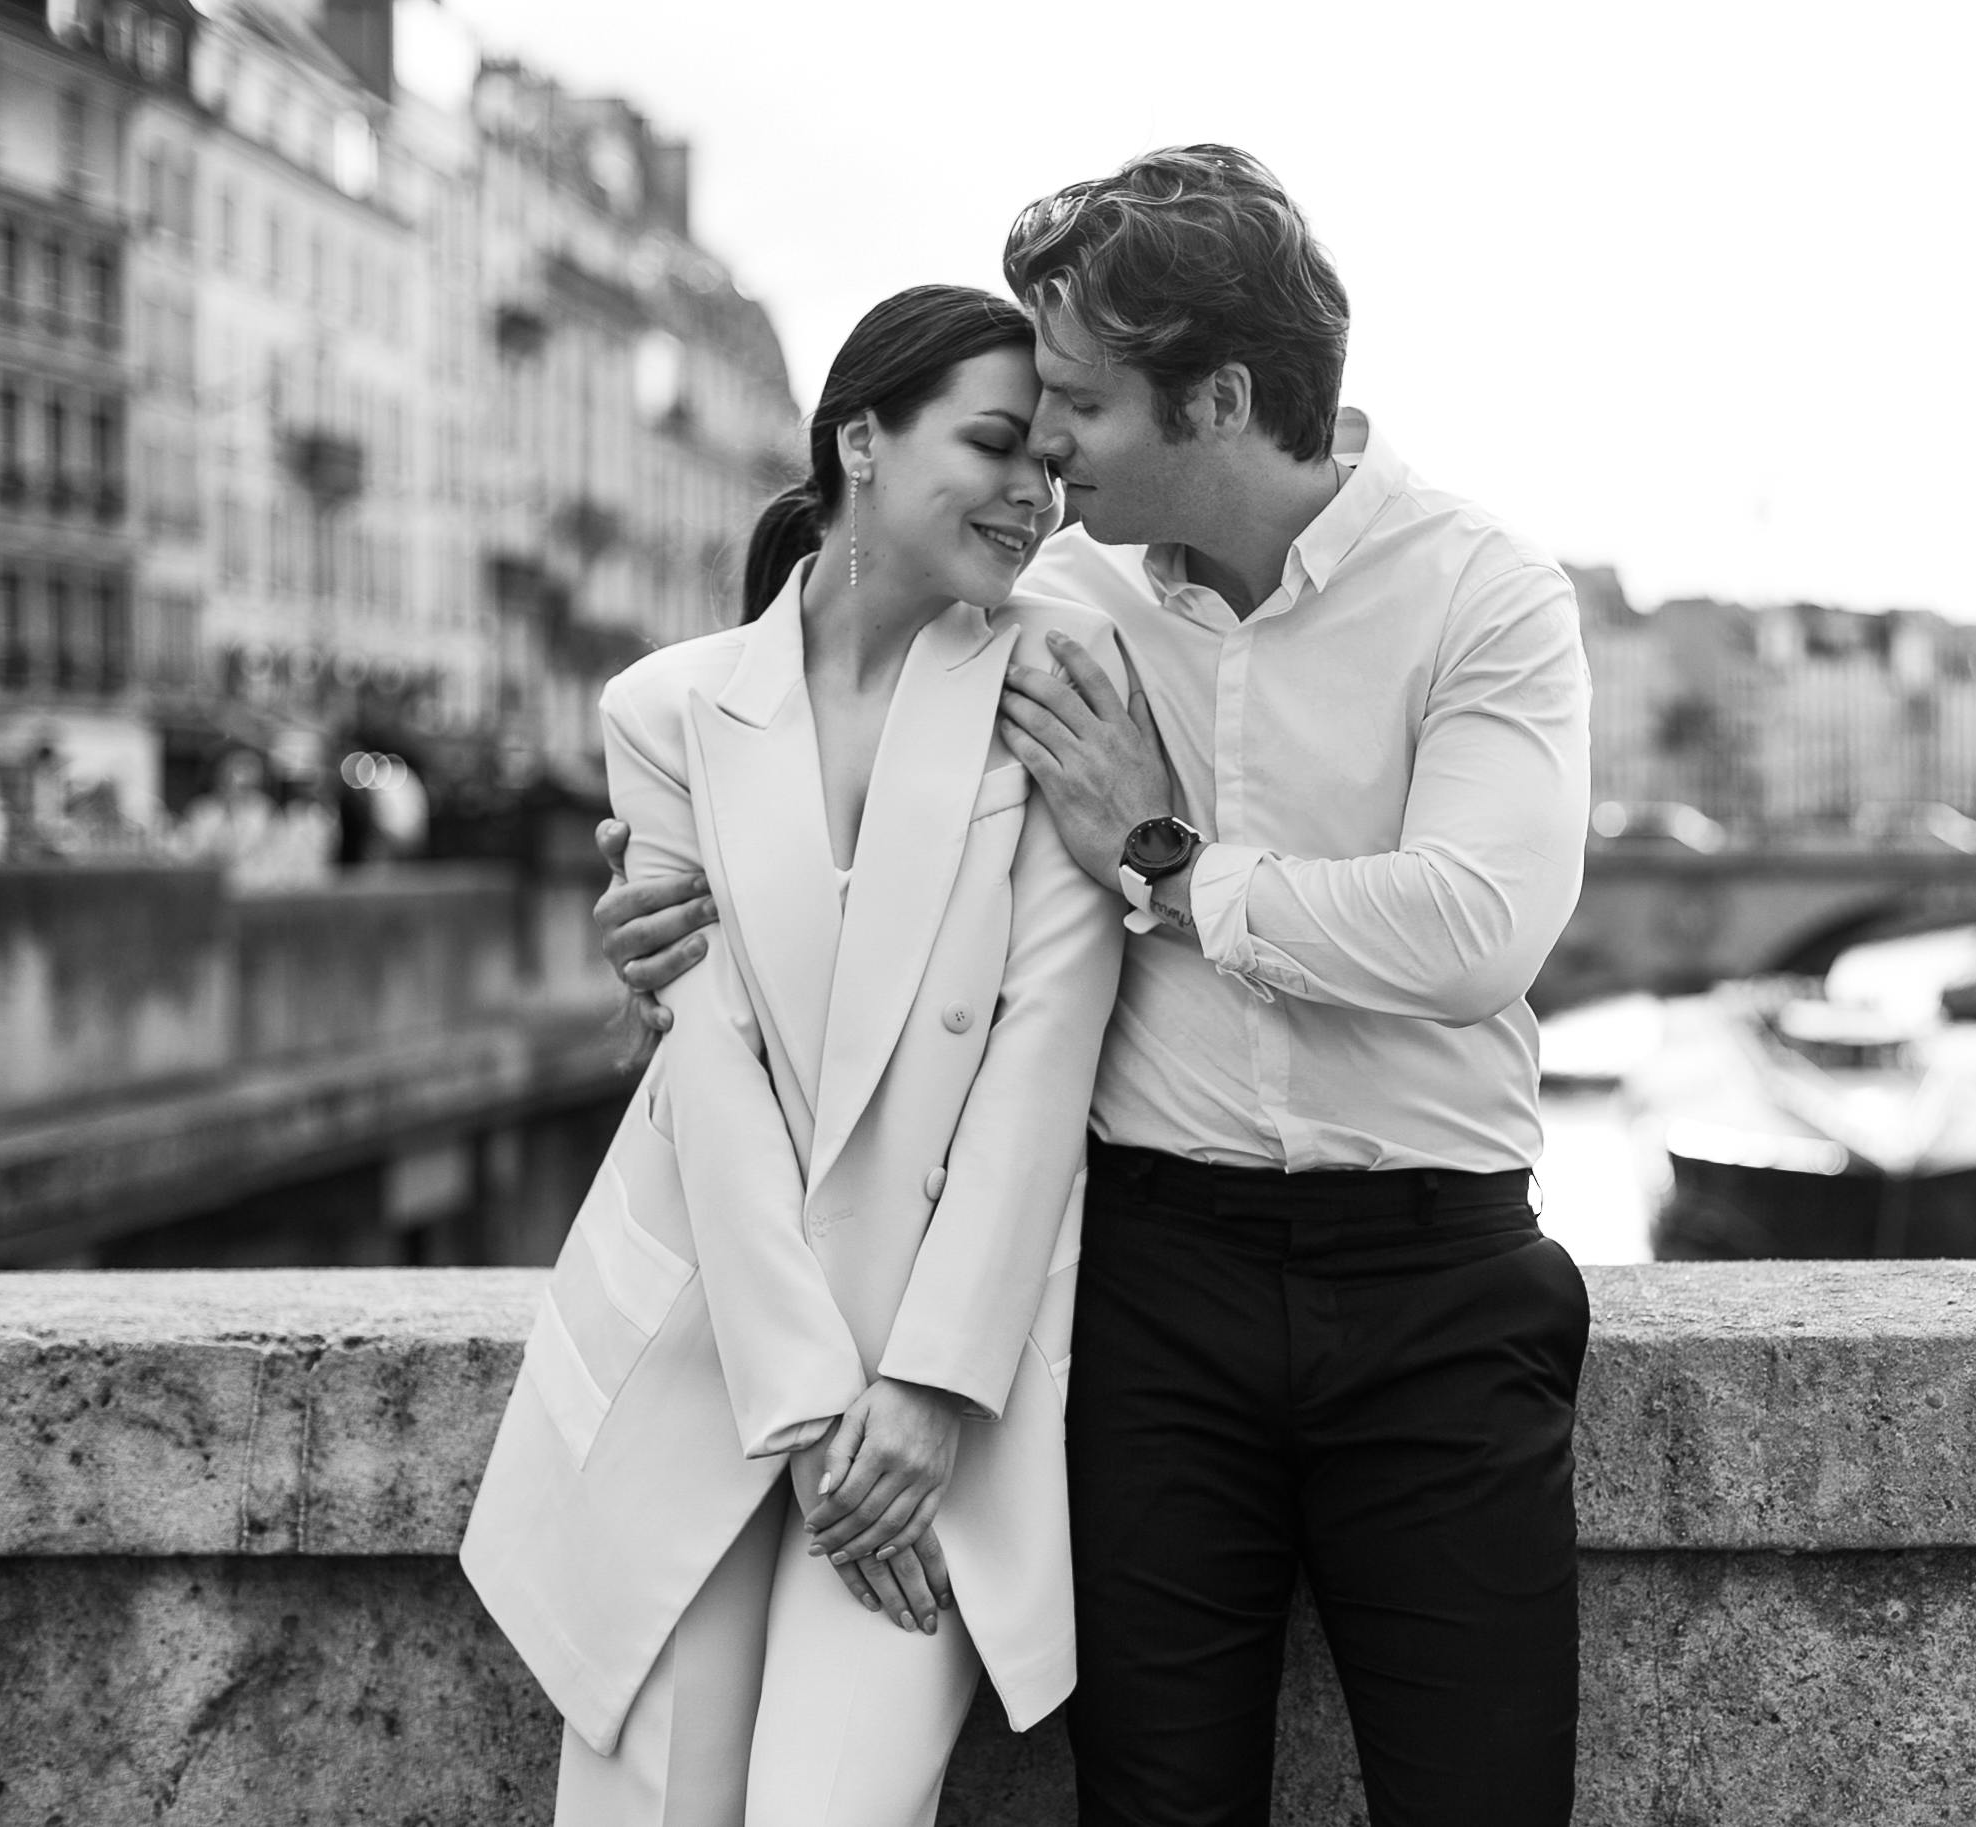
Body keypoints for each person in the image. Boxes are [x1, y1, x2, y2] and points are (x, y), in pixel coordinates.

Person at [596, 148, 1594, 1827]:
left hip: (1436, 1286)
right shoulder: (1050, 600)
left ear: (1219, 400)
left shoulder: (1483, 590)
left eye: (1076, 402)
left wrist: (1167, 863)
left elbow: (1476, 931)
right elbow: (816, 790)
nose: (1046, 447)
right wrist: (659, 903)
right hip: (1154, 1293)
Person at [463, 284, 1127, 1827]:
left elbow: (1043, 1056)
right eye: (994, 446)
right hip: (708, 1348)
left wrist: (929, 1392)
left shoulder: (1058, 672)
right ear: (860, 443)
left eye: (1049, 463)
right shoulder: (670, 708)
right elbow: (710, 1071)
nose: (1034, 495)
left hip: (934, 1388)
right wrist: (811, 1407)